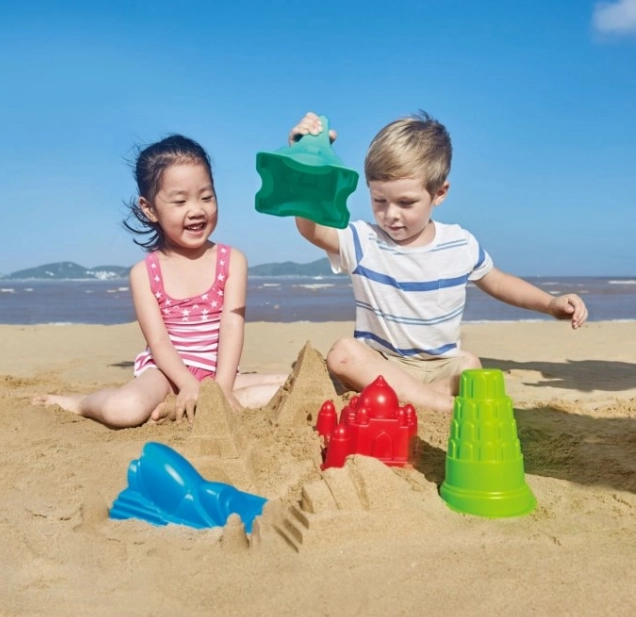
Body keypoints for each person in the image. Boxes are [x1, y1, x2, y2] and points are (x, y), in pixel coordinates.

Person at [287, 112, 588, 412]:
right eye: (379, 200)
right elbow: (311, 229)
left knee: (469, 365)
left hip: (439, 367)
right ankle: (436, 404)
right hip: (381, 365)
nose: (391, 214)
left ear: (439, 193)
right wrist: (304, 164)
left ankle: (413, 399)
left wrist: (550, 304)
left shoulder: (459, 243)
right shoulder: (363, 240)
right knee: (342, 354)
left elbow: (498, 281)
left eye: (406, 203)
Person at [33, 134, 286, 427]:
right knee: (124, 410)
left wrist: (223, 387)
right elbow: (159, 341)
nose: (196, 209)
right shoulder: (144, 274)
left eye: (207, 197)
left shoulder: (232, 261)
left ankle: (183, 410)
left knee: (291, 384)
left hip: (221, 373)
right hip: (165, 373)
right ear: (150, 208)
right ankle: (79, 402)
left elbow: (232, 326)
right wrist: (187, 383)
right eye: (180, 201)